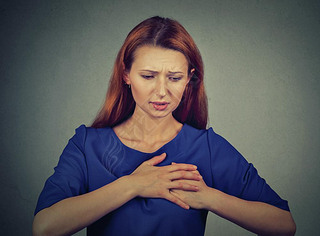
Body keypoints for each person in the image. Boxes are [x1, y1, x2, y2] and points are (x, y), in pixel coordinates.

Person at [32, 16, 296, 236]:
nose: (162, 91)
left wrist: (209, 198)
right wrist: (132, 185)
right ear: (126, 75)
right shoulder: (87, 145)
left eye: (174, 78)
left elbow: (284, 225)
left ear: (189, 79)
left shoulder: (207, 148)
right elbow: (44, 227)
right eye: (148, 76)